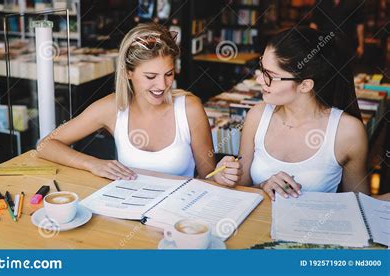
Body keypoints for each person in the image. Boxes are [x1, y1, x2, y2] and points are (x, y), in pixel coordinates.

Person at [36, 23, 241, 185]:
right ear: (128, 73)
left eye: (168, 74)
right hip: (129, 215)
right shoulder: (111, 108)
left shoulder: (190, 108)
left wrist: (221, 176)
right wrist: (93, 164)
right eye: (151, 76)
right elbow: (45, 145)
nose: (162, 85)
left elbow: (208, 176)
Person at [236, 27, 372, 200]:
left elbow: (359, 205)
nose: (259, 80)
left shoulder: (347, 132)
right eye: (261, 69)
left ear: (305, 85)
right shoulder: (257, 115)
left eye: (269, 75)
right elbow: (242, 186)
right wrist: (261, 186)